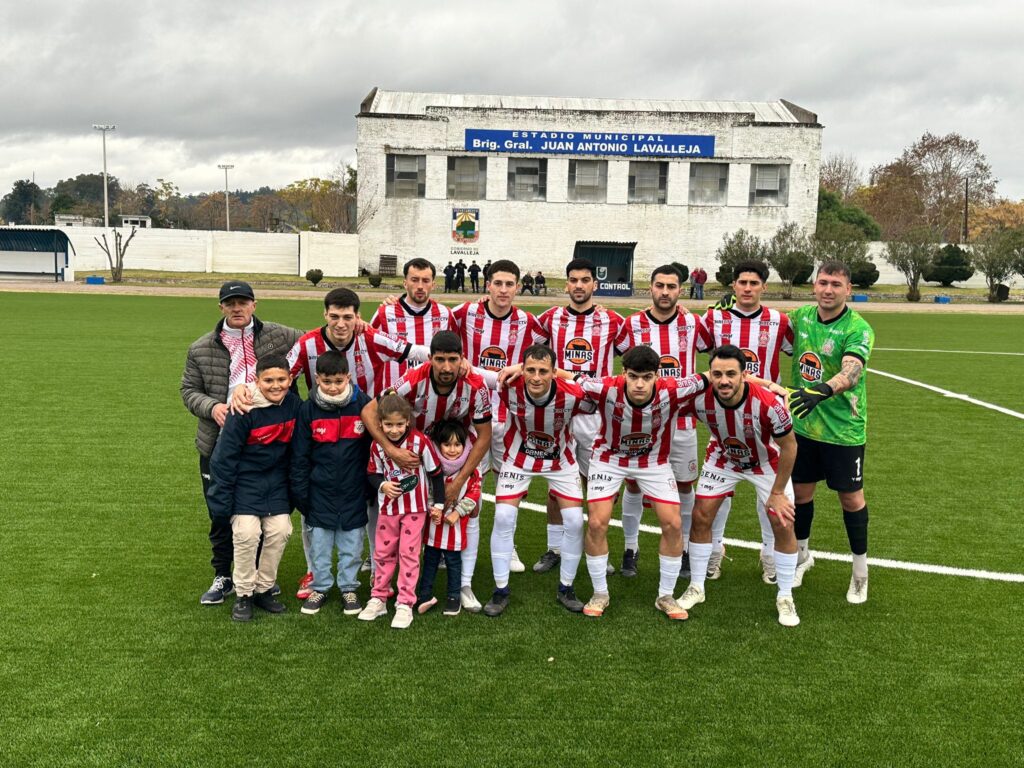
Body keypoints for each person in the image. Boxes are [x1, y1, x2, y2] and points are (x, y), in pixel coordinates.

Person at [181, 280, 300, 606]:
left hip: (269, 441)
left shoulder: (281, 335)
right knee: (221, 512)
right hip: (218, 440)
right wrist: (214, 407)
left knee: (267, 518)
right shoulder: (201, 348)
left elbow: (318, 343)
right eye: (230, 303)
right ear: (221, 307)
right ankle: (222, 575)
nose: (237, 308)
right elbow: (188, 392)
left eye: (243, 302)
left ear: (254, 304)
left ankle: (261, 582)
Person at [361, 331, 493, 611]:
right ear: (430, 358)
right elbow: (370, 411)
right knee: (403, 511)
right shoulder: (414, 378)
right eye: (440, 360)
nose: (446, 367)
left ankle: (464, 583)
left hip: (456, 451)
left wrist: (459, 480)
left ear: (462, 359)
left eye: (453, 360)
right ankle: (384, 572)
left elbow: (484, 435)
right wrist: (392, 450)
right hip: (417, 456)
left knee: (471, 508)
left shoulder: (476, 384)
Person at [575, 345, 709, 620]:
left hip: (653, 461)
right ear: (623, 373)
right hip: (609, 458)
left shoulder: (672, 389)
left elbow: (714, 376)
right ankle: (600, 593)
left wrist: (766, 384)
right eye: (633, 376)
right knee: (597, 522)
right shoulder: (605, 387)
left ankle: (666, 595)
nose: (639, 384)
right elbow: (565, 375)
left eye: (646, 377)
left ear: (656, 376)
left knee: (673, 523)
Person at [675, 346, 801, 627]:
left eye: (731, 374)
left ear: (744, 375)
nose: (724, 381)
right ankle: (696, 587)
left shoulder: (769, 404)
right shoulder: (699, 399)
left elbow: (790, 447)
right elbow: (666, 397)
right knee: (701, 516)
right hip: (724, 459)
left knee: (783, 522)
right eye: (717, 374)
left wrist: (778, 493)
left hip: (766, 462)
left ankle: (785, 595)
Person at [448, 259, 549, 593]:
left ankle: (511, 545)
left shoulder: (529, 322)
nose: (504, 290)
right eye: (498, 283)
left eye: (510, 284)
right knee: (462, 480)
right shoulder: (463, 313)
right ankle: (450, 538)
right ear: (487, 284)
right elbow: (436, 327)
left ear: (518, 287)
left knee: (508, 486)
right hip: (469, 415)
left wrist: (521, 365)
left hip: (510, 418)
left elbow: (544, 356)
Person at [482, 345, 596, 617]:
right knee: (503, 518)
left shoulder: (573, 394)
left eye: (543, 371)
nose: (535, 377)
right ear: (521, 370)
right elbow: (470, 371)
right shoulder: (508, 385)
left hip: (561, 462)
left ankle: (566, 587)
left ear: (554, 373)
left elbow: (599, 392)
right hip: (518, 460)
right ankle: (500, 591)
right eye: (530, 370)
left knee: (574, 522)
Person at [613, 265, 710, 578]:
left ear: (680, 289)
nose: (665, 292)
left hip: (682, 422)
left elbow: (713, 351)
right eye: (659, 286)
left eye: (671, 286)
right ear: (650, 288)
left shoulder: (694, 324)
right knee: (634, 485)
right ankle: (631, 548)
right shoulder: (632, 324)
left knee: (684, 485)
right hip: (640, 422)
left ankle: (681, 550)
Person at [699, 260, 793, 583]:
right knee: (717, 494)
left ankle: (769, 553)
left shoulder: (780, 321)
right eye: (742, 282)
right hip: (724, 417)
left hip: (767, 421)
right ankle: (714, 550)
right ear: (733, 286)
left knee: (769, 497)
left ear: (764, 287)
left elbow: (800, 348)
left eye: (755, 283)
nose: (748, 288)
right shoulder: (714, 318)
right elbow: (687, 340)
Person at [787, 261, 875, 604]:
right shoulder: (803, 316)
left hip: (843, 429)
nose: (828, 289)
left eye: (836, 284)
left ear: (848, 289)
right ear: (814, 286)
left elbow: (852, 371)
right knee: (801, 493)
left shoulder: (858, 328)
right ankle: (802, 557)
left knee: (851, 499)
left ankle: (860, 573)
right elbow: (762, 319)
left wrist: (822, 389)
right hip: (804, 425)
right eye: (823, 282)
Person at [532, 258, 625, 574]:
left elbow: (637, 350)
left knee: (597, 482)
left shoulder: (612, 321)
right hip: (559, 412)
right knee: (557, 485)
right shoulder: (550, 319)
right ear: (566, 284)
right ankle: (554, 548)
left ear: (594, 285)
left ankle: (597, 548)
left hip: (596, 415)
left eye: (585, 280)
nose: (579, 285)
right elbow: (524, 343)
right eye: (573, 280)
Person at [206, 354, 300, 622]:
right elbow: (223, 460)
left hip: (277, 486)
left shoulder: (294, 405)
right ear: (256, 381)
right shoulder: (243, 409)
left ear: (290, 380)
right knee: (247, 534)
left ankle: (264, 589)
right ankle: (244, 594)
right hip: (245, 485)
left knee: (281, 531)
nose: (275, 385)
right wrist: (221, 503)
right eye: (268, 380)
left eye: (281, 379)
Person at [290, 350, 372, 617]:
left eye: (339, 381)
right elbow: (300, 456)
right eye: (327, 382)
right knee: (320, 544)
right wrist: (302, 494)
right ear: (317, 379)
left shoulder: (364, 405)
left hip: (354, 490)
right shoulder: (307, 409)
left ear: (348, 377)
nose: (334, 387)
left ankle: (349, 587)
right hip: (319, 492)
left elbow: (373, 450)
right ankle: (321, 586)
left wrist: (369, 486)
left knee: (352, 543)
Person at [359, 394, 445, 629]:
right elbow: (372, 473)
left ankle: (405, 602)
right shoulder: (377, 445)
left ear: (408, 421)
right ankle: (379, 597)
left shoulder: (421, 443)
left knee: (409, 554)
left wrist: (438, 504)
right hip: (388, 510)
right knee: (383, 553)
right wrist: (383, 485)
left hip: (415, 510)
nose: (394, 430)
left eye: (399, 424)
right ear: (380, 424)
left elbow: (436, 474)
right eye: (389, 425)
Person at [417, 419, 482, 616]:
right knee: (429, 560)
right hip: (433, 529)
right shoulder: (432, 467)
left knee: (454, 563)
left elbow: (474, 494)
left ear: (465, 445)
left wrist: (457, 513)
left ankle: (454, 597)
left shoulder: (471, 471)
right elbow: (426, 491)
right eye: (447, 445)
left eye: (457, 445)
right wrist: (432, 509)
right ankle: (424, 594)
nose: (452, 450)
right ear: (438, 445)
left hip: (455, 530)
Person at [371, 257, 454, 392]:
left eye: (426, 281)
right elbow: (369, 352)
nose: (420, 286)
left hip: (433, 396)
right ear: (405, 283)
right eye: (414, 280)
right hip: (395, 398)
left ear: (433, 284)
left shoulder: (445, 314)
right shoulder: (384, 313)